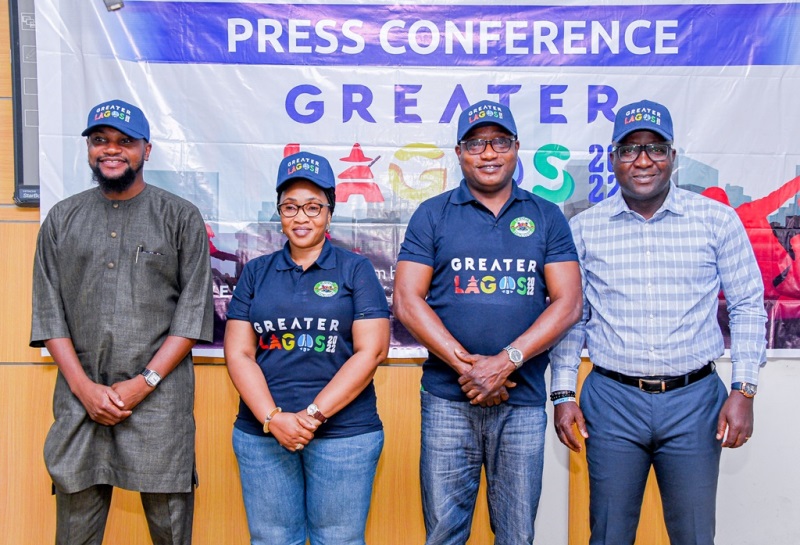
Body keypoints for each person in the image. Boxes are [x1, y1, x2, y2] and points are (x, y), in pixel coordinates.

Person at [550, 99, 767, 545]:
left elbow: (747, 305)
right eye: (629, 150)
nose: (643, 161)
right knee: (608, 534)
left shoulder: (716, 220)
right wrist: (563, 393)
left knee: (693, 534)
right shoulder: (586, 228)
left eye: (655, 149)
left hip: (694, 402)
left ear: (673, 156)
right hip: (612, 402)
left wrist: (743, 390)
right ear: (612, 159)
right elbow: (572, 317)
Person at [393, 100, 583, 545]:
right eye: (476, 143)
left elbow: (569, 303)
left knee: (516, 534)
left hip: (522, 401)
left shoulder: (545, 215)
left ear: (517, 148)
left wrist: (506, 361)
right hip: (446, 400)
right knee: (443, 531)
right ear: (459, 153)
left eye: (499, 141)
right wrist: (472, 369)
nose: (489, 152)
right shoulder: (433, 214)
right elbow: (406, 301)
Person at [30, 99, 214, 545]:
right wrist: (84, 388)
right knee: (73, 533)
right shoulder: (62, 218)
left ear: (146, 150)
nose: (111, 151)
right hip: (80, 403)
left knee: (171, 531)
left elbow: (191, 316)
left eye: (124, 142)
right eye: (100, 141)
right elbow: (48, 313)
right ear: (89, 149)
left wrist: (143, 382)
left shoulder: (179, 216)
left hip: (159, 404)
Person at [224, 151, 390, 545]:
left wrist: (312, 416)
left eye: (313, 207)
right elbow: (239, 353)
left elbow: (372, 352)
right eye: (291, 207)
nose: (302, 217)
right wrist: (273, 418)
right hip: (262, 434)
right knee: (272, 540)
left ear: (330, 212)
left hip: (344, 435)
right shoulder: (256, 271)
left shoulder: (356, 269)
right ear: (279, 213)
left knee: (340, 540)